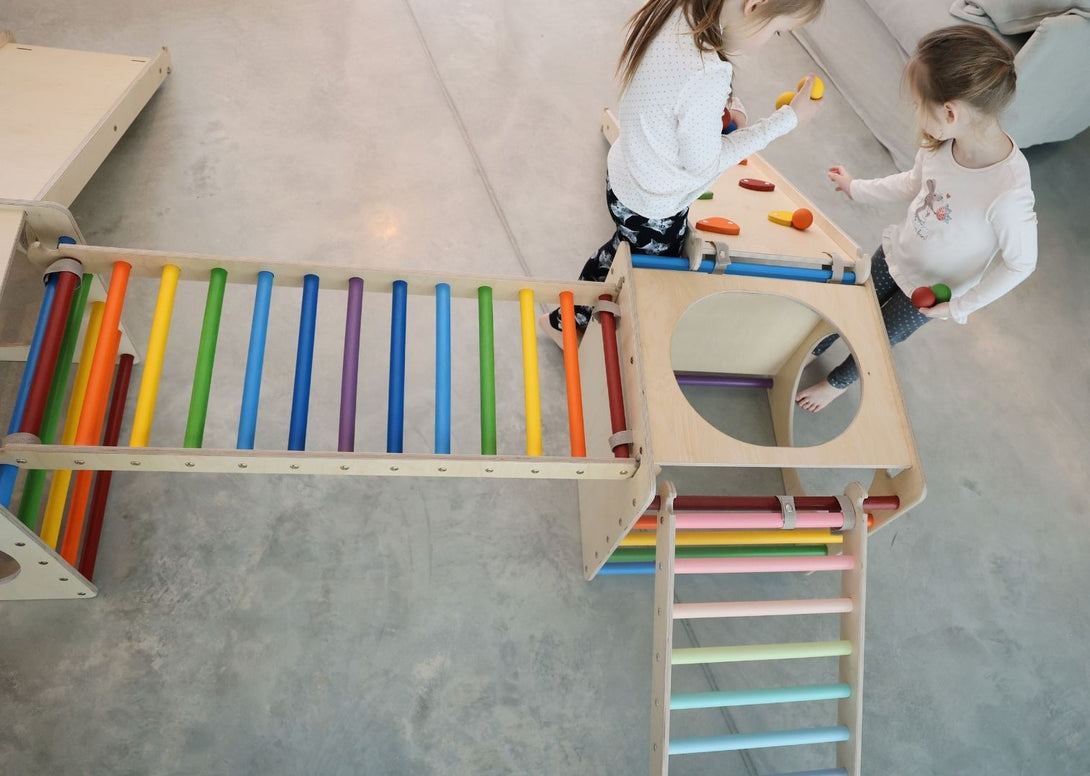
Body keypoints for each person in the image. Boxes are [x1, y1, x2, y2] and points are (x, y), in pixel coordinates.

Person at [540, 0, 825, 345]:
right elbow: (703, 163)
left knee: (620, 249)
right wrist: (787, 121)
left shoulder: (681, 11)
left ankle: (564, 320)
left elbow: (680, 97)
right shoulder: (706, 74)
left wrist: (729, 107)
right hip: (652, 206)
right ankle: (565, 325)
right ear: (754, 6)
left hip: (626, 174)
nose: (772, 38)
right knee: (644, 274)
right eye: (777, 30)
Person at [796, 24, 1037, 412]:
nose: (914, 112)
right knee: (853, 302)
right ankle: (813, 347)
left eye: (916, 105)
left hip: (933, 293)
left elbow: (1022, 262)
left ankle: (838, 381)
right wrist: (857, 187)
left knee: (879, 335)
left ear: (950, 111)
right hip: (899, 254)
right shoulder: (945, 144)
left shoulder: (1007, 193)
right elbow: (913, 183)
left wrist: (960, 307)